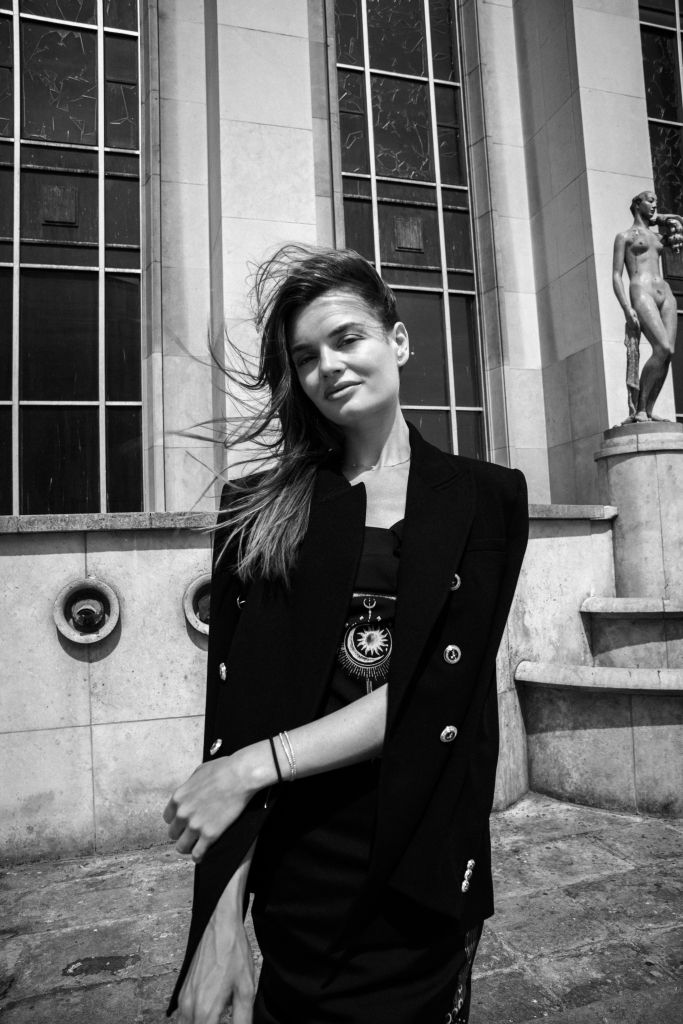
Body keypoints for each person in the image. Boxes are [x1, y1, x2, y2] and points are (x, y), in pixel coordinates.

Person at [163, 245, 528, 1024]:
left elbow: (436, 694)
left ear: (398, 340)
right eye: (305, 357)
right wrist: (219, 925)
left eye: (347, 338)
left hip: (421, 878)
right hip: (298, 879)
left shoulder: (485, 498)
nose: (327, 365)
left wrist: (254, 765)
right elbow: (236, 722)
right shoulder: (260, 507)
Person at [612, 190, 679, 421]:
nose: (654, 205)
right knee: (663, 348)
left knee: (668, 354)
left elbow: (681, 224)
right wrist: (625, 307)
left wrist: (664, 218)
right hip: (642, 291)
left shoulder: (657, 237)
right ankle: (639, 408)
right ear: (637, 204)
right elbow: (616, 275)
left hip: (665, 293)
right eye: (650, 201)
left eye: (656, 202)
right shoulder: (624, 236)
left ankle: (649, 410)